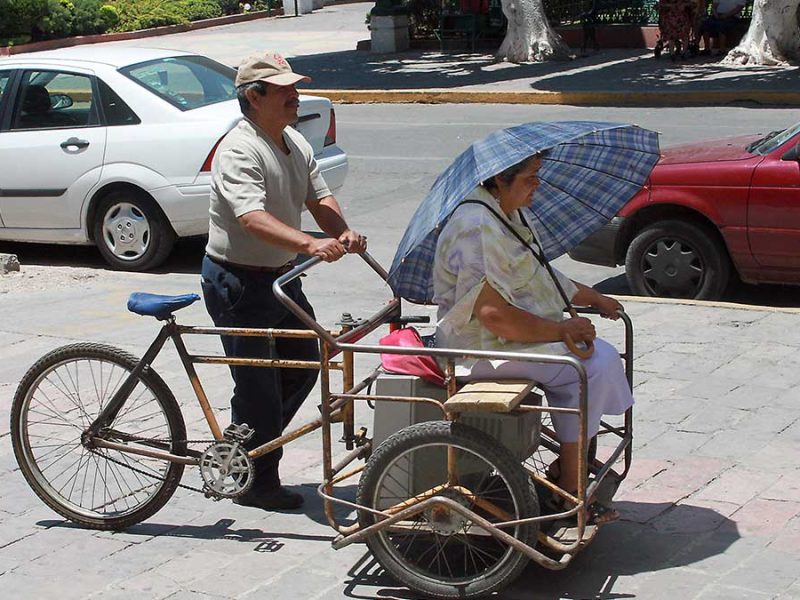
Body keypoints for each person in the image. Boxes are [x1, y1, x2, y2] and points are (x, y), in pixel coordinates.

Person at [200, 51, 367, 511]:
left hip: (280, 279)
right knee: (257, 386)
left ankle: (245, 446)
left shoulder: (292, 140)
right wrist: (310, 244)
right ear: (254, 97)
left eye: (294, 89)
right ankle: (256, 480)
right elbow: (251, 218)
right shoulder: (239, 149)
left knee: (305, 362)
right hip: (238, 282)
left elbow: (319, 197)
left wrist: (342, 232)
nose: (294, 97)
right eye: (284, 91)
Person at [432, 154, 634, 524]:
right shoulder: (476, 226)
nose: (537, 185)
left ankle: (570, 469)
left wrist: (593, 297)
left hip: (507, 340)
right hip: (476, 349)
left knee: (598, 359)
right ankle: (570, 486)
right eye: (530, 177)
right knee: (589, 367)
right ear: (500, 180)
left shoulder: (508, 216)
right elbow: (493, 315)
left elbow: (537, 275)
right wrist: (562, 331)